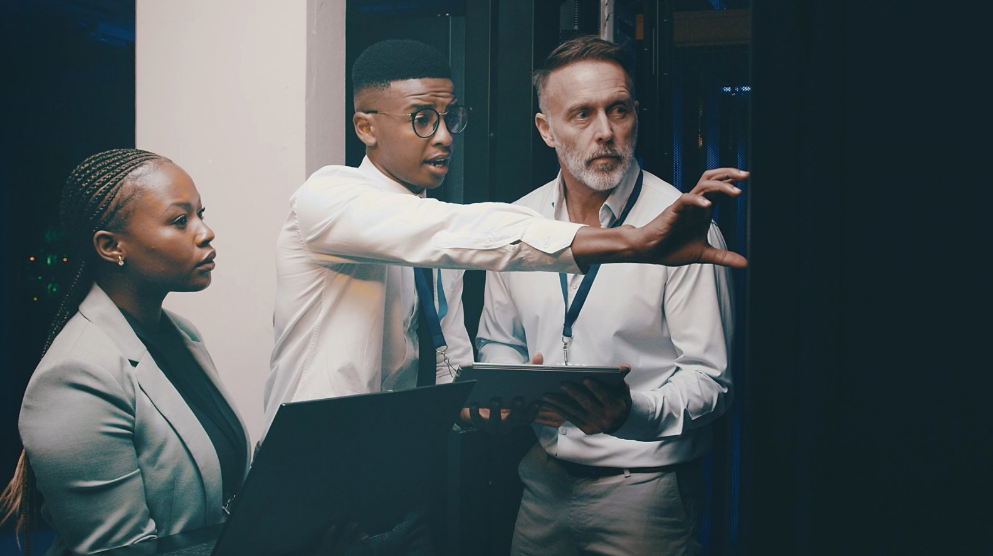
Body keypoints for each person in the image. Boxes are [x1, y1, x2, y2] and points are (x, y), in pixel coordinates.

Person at [264, 37, 744, 556]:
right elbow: (452, 232)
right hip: (314, 489)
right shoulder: (327, 199)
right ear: (366, 128)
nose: (444, 137)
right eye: (423, 119)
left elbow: (455, 374)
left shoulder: (455, 246)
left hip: (405, 497)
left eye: (451, 118)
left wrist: (482, 407)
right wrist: (633, 241)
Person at [0, 150, 357, 556]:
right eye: (180, 220)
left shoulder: (181, 335)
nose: (206, 233)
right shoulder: (75, 375)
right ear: (111, 246)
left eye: (201, 214)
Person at [475, 36, 740, 555]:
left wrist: (630, 413)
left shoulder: (685, 232)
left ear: (635, 114)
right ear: (545, 129)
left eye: (617, 110)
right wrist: (518, 390)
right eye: (581, 114)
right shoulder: (516, 223)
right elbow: (496, 341)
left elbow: (713, 381)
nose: (605, 132)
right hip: (541, 485)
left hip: (646, 496)